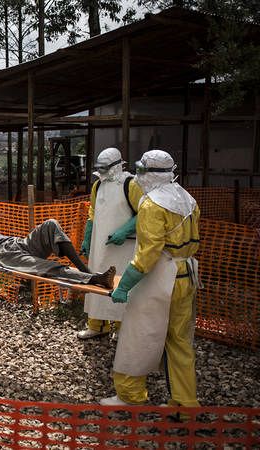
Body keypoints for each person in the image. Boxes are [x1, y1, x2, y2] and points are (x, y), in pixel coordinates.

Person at [100, 149, 201, 407]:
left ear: (151, 174)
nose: (138, 175)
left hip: (159, 278)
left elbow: (148, 254)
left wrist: (124, 286)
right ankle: (185, 403)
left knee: (138, 335)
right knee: (179, 341)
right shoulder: (187, 199)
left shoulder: (152, 203)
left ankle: (130, 395)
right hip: (186, 275)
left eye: (142, 170)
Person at [0, 219, 116, 289]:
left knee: (50, 225)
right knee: (49, 268)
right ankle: (94, 279)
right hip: (3, 254)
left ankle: (86, 270)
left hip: (15, 243)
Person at [78, 148, 143, 340]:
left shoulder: (131, 184)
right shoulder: (97, 186)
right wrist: (87, 237)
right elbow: (93, 212)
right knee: (97, 280)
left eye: (106, 167)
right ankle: (97, 325)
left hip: (124, 248)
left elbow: (145, 212)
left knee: (122, 283)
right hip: (100, 246)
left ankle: (123, 328)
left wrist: (125, 230)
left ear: (117, 165)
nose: (102, 171)